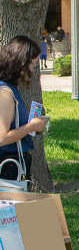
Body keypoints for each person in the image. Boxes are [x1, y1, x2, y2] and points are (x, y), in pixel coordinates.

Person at [0, 36, 47, 182]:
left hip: (16, 161)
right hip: (10, 164)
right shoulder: (5, 93)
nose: (33, 69)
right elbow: (2, 138)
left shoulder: (10, 88)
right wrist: (30, 127)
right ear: (21, 63)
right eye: (33, 64)